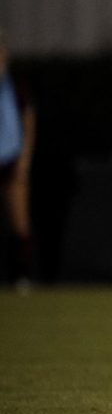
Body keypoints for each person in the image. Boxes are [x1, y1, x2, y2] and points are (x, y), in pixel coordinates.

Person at [0, 28, 35, 288]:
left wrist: (24, 158)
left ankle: (22, 277)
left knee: (20, 221)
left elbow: (29, 121)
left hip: (11, 158)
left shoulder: (15, 87)